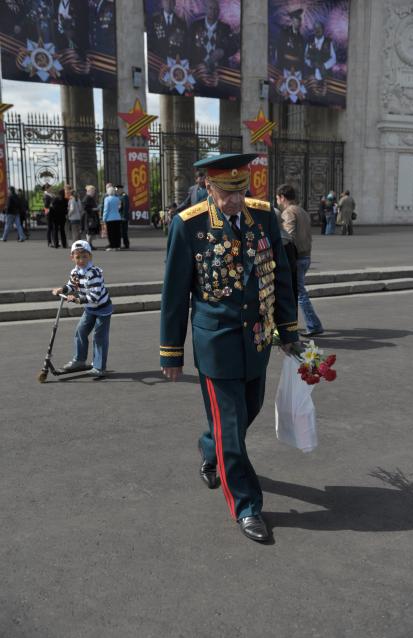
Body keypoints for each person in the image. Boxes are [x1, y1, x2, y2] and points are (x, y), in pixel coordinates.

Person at [160, 154, 299, 543]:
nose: (236, 201)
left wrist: (288, 331)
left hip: (256, 341)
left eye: (242, 191)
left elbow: (282, 278)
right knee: (233, 431)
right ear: (208, 187)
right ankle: (247, 506)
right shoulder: (188, 225)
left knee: (246, 411)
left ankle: (210, 448)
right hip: (216, 343)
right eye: (227, 192)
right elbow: (174, 293)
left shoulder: (265, 218)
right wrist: (171, 351)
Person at [52, 239, 113, 378]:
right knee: (80, 331)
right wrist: (62, 289)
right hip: (90, 308)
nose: (81, 260)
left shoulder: (94, 273)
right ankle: (79, 360)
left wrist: (77, 299)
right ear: (72, 257)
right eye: (77, 257)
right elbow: (72, 286)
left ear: (90, 256)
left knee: (99, 337)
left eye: (84, 256)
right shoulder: (75, 272)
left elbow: (95, 296)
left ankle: (99, 367)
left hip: (102, 309)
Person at [276, 183, 323, 337]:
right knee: (298, 291)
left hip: (296, 258)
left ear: (282, 197)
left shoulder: (288, 213)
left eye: (277, 198)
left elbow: (288, 237)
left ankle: (313, 324)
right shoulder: (302, 211)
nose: (277, 201)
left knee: (299, 293)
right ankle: (301, 324)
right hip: (306, 255)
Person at [189, 0, 239, 79]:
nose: (213, 11)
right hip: (198, 73)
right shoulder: (195, 26)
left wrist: (223, 52)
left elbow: (234, 47)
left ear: (219, 12)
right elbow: (188, 47)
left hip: (219, 75)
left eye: (216, 9)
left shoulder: (225, 28)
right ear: (205, 9)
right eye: (210, 8)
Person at [277, 8, 305, 75]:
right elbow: (281, 51)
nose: (298, 23)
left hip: (297, 70)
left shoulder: (301, 38)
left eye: (299, 20)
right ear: (292, 20)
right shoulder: (284, 33)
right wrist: (292, 62)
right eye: (296, 20)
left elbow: (301, 56)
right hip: (285, 68)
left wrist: (295, 64)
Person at [102, 185, 121, 251]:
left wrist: (104, 218)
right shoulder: (117, 198)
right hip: (117, 217)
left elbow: (106, 209)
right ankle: (117, 246)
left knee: (111, 233)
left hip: (110, 218)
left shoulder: (107, 199)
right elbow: (119, 207)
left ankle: (112, 246)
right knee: (117, 233)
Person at [81, 185, 100, 250]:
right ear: (89, 191)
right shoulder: (87, 198)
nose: (94, 192)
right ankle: (88, 245)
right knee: (89, 232)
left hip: (91, 217)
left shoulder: (90, 198)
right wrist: (94, 209)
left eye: (94, 191)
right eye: (93, 191)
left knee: (91, 232)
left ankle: (90, 245)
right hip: (89, 218)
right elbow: (85, 208)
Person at [116, 184, 130, 249]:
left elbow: (125, 207)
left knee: (124, 232)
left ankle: (126, 244)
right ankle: (123, 244)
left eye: (118, 189)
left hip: (123, 217)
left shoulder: (124, 196)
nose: (117, 191)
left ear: (121, 189)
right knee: (121, 231)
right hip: (119, 216)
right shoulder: (119, 196)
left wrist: (124, 217)